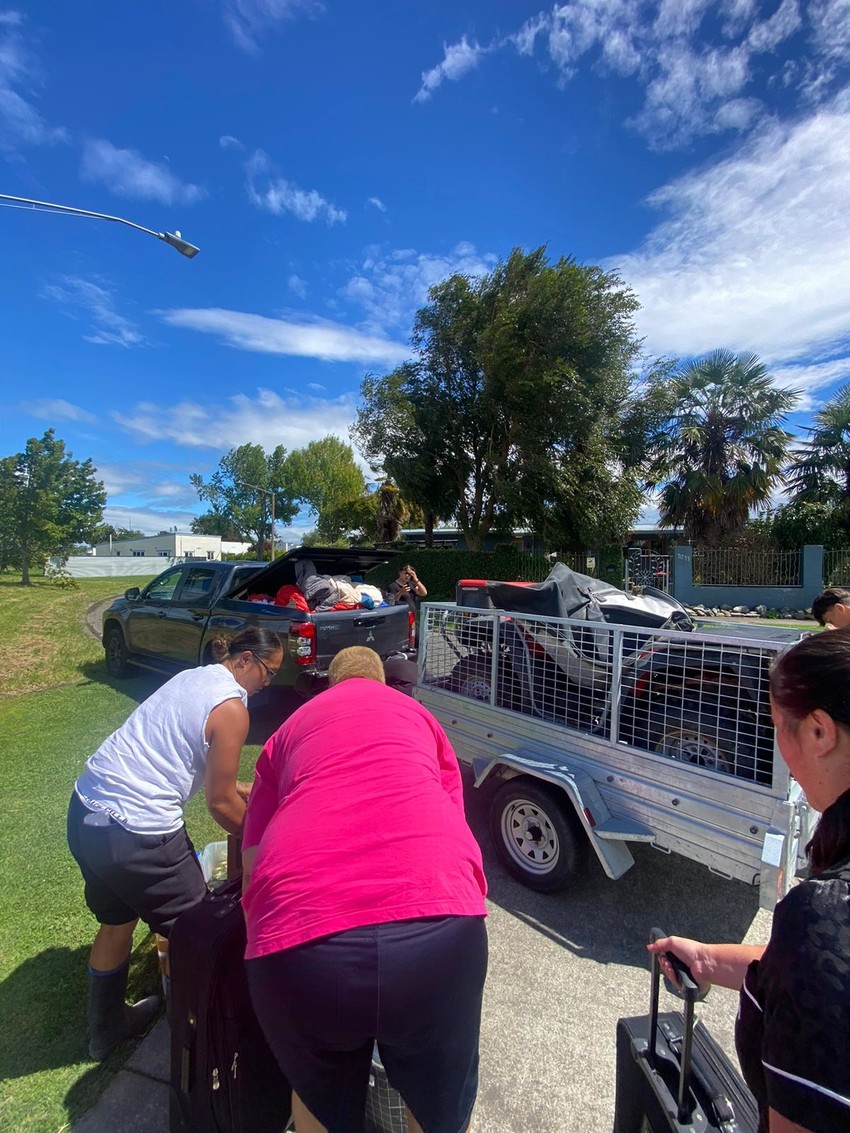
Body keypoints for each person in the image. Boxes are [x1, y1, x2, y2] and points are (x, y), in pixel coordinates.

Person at [241, 646, 488, 1133]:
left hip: (303, 942)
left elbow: (252, 860)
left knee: (317, 1096)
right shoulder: (420, 717)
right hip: (438, 930)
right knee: (437, 1106)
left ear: (331, 686)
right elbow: (453, 817)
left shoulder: (290, 730)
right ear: (381, 682)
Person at [649, 629, 850, 1133]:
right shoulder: (819, 932)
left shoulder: (821, 913)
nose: (779, 748)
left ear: (821, 733)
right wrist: (710, 960)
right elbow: (816, 974)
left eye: (779, 726)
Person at [67, 626, 283, 1061]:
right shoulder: (232, 709)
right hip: (138, 834)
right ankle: (215, 1042)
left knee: (117, 920)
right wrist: (269, 841)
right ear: (244, 660)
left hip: (87, 813)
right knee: (203, 937)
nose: (267, 683)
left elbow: (187, 759)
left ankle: (106, 1031)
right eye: (268, 672)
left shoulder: (193, 678)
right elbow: (219, 805)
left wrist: (241, 789)